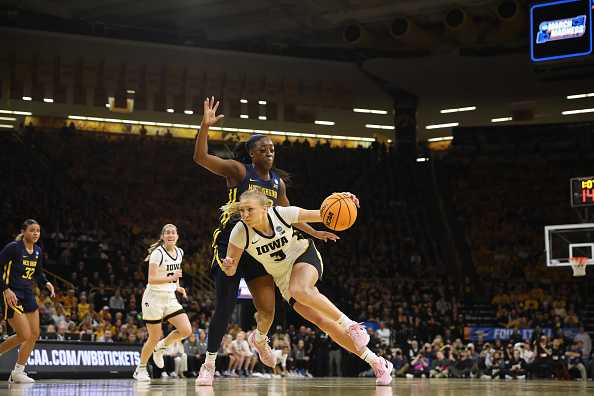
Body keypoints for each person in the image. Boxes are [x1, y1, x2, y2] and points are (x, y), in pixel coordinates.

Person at [193, 97, 338, 385]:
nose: (269, 152)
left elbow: (290, 216)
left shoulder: (277, 183)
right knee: (224, 304)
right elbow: (201, 158)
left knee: (268, 309)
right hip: (233, 242)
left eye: (272, 148)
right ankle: (208, 364)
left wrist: (316, 232)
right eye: (263, 149)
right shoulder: (238, 171)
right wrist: (205, 126)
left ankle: (260, 339)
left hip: (260, 249)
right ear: (251, 154)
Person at [221, 190, 394, 385]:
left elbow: (324, 213)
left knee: (301, 289)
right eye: (242, 210)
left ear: (265, 207)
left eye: (249, 210)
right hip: (283, 279)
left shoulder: (281, 214)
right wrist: (228, 266)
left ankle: (351, 325)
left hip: (304, 256)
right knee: (325, 323)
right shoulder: (240, 231)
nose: (244, 214)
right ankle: (377, 362)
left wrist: (347, 201)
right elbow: (231, 269)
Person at [133, 224, 192, 381]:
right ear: (162, 237)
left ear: (177, 236)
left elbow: (176, 273)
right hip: (153, 298)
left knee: (186, 330)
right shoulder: (157, 254)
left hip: (169, 297)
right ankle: (141, 369)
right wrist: (171, 279)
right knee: (154, 336)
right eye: (167, 233)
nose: (170, 235)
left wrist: (177, 286)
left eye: (173, 232)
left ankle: (161, 347)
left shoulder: (179, 252)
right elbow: (151, 279)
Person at [0, 219, 56, 383]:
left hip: (27, 293)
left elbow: (37, 273)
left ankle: (18, 372)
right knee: (23, 334)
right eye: (32, 230)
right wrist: (6, 289)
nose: (35, 233)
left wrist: (46, 282)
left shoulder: (37, 251)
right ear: (24, 231)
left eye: (38, 231)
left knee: (34, 334)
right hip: (11, 293)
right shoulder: (13, 248)